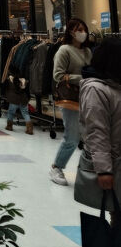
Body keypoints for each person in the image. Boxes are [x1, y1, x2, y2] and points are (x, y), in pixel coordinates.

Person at [50, 17, 93, 186]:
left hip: (89, 97)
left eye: (84, 29)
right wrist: (82, 78)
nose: (82, 33)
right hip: (71, 98)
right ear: (71, 32)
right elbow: (58, 75)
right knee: (72, 137)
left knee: (90, 137)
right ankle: (57, 167)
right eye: (78, 29)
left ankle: (89, 171)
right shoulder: (64, 50)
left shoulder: (88, 51)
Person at [80, 38, 121, 202]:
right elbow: (97, 131)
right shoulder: (95, 89)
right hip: (115, 163)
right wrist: (104, 170)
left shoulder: (116, 85)